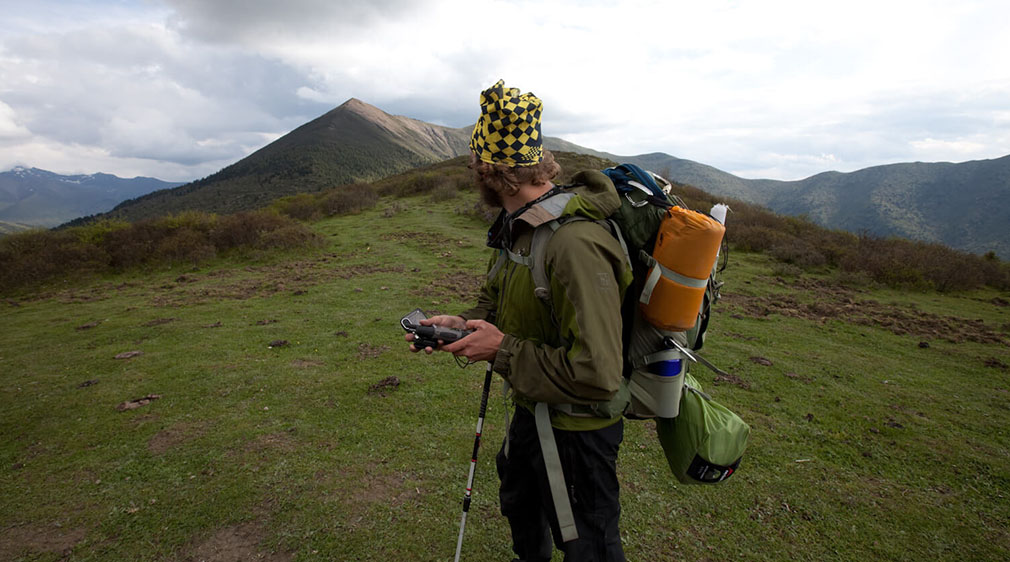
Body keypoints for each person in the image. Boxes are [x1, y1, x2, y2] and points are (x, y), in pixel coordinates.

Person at [407, 80, 632, 562]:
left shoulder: (574, 244)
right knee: (520, 503)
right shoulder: (521, 225)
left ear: (491, 172)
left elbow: (599, 374)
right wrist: (466, 324)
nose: (471, 170)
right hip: (533, 409)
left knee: (588, 546)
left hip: (577, 433)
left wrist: (501, 350)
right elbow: (504, 299)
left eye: (474, 162)